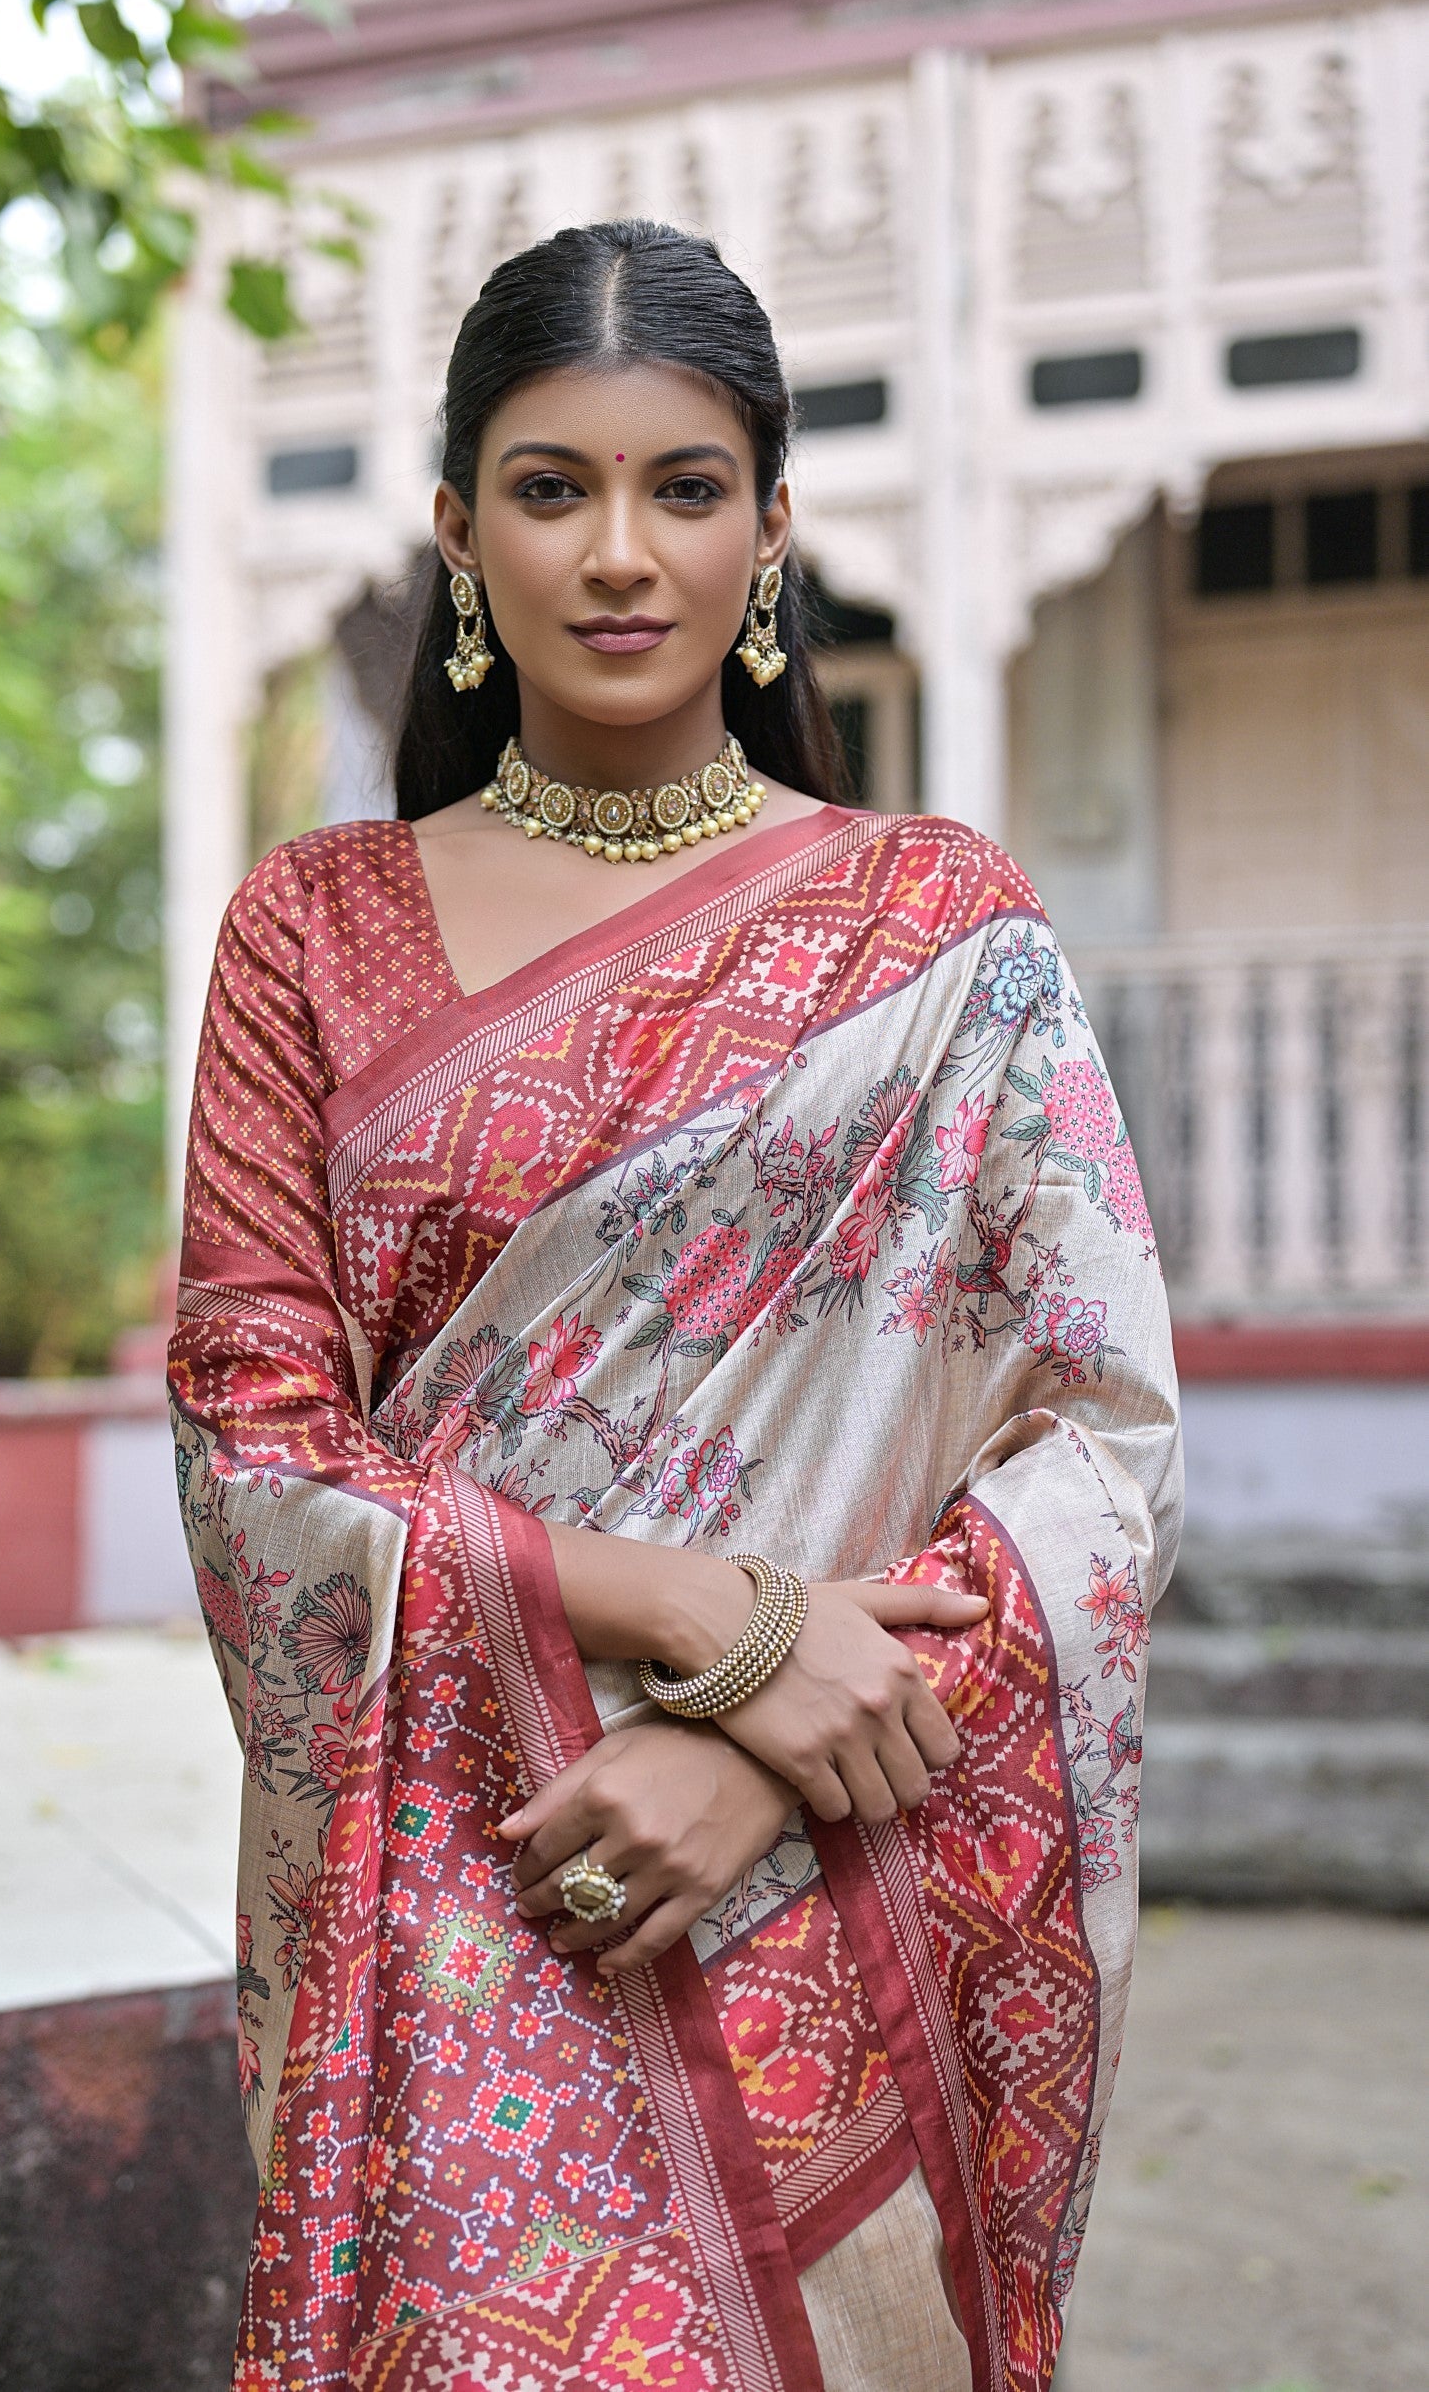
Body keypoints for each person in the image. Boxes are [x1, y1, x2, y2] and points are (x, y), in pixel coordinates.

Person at [170, 219, 1181, 2392]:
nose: (620, 555)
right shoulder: (313, 936)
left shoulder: (942, 933)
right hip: (464, 1883)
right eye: (551, 488)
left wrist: (767, 1762)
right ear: (458, 533)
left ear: (774, 531)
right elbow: (258, 1459)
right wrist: (711, 1630)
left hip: (845, 1866)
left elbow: (1099, 1446)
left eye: (685, 488)